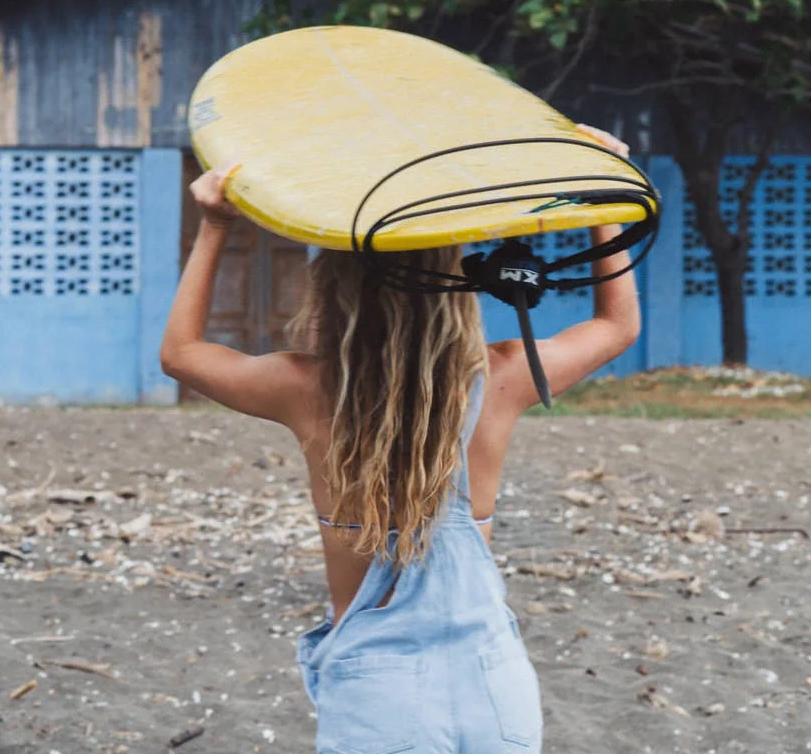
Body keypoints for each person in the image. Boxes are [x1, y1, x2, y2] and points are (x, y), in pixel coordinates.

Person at [158, 125, 642, 753]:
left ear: (334, 284)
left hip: (378, 690)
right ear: (454, 282)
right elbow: (618, 323)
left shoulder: (306, 388)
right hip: (494, 684)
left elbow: (180, 354)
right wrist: (605, 201)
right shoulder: (502, 377)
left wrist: (216, 223)